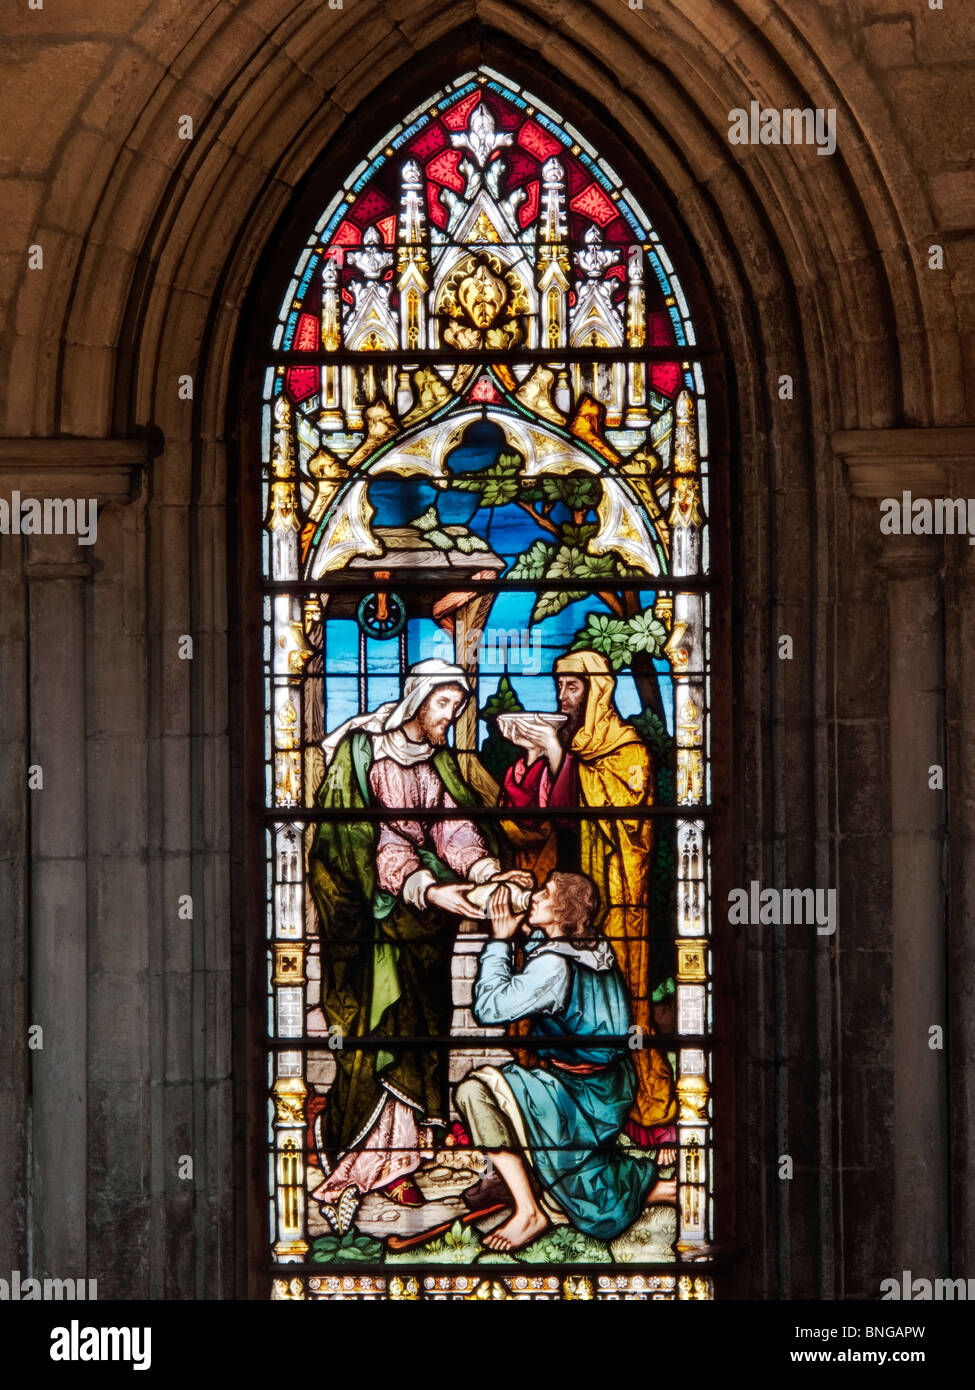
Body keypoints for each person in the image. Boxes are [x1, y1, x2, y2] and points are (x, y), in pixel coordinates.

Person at [308, 659, 530, 1207]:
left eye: (457, 707)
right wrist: (427, 889)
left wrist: (485, 873)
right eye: (443, 704)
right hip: (370, 927)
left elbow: (452, 826)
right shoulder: (362, 756)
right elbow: (367, 842)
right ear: (417, 700)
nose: (450, 716)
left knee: (421, 1028)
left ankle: (408, 1153)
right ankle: (368, 1161)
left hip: (421, 927)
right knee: (382, 1028)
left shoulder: (436, 763)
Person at [502, 649, 676, 1141]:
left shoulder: (628, 750)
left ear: (598, 689)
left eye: (572, 687)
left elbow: (624, 823)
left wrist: (559, 757)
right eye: (559, 686)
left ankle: (626, 1102)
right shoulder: (568, 747)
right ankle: (548, 1101)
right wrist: (536, 759)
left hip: (614, 902)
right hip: (560, 901)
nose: (562, 696)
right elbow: (535, 822)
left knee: (616, 995)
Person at [455, 874, 675, 1251]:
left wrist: (499, 942)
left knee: (474, 1091)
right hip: (610, 1087)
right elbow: (544, 950)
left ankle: (528, 1212)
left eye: (544, 894)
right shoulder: (590, 944)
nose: (535, 896)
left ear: (561, 912)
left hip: (578, 1097)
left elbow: (490, 1008)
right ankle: (661, 1189)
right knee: (572, 1179)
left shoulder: (555, 967)